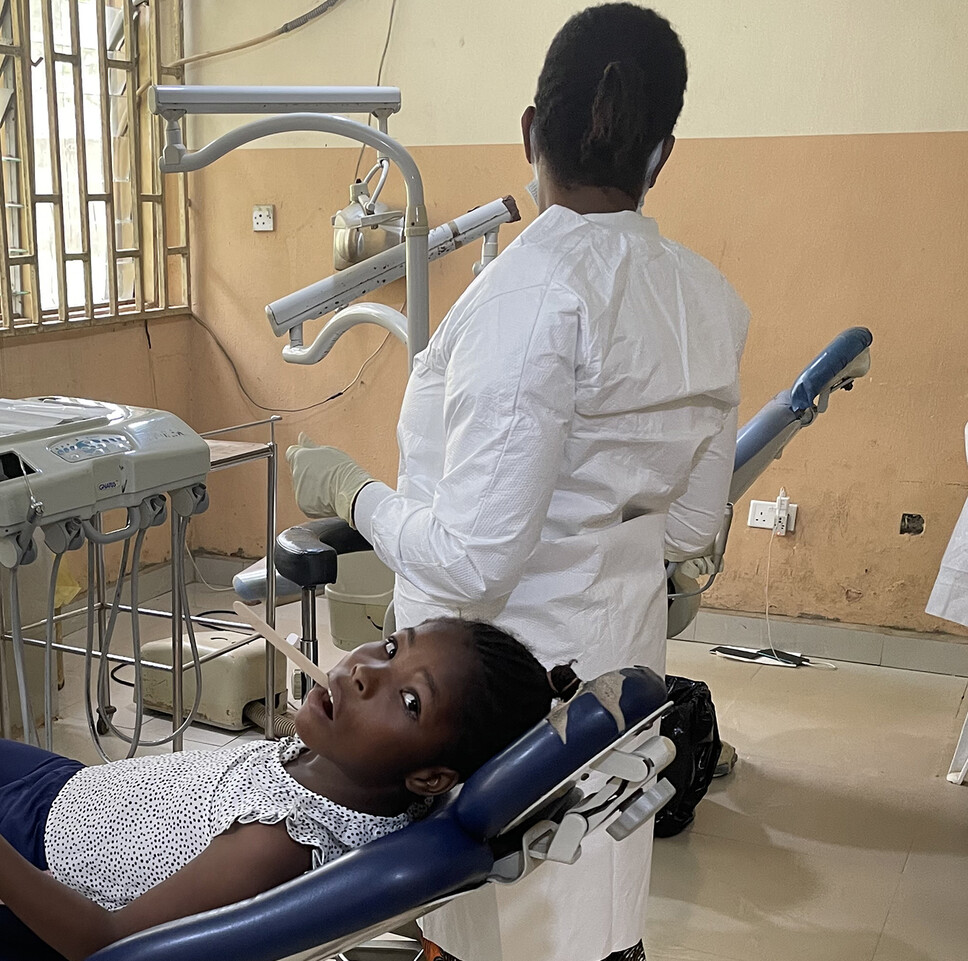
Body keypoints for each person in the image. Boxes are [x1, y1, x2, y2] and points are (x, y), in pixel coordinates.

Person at [286, 6, 749, 961]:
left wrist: (352, 492)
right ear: (662, 152)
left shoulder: (527, 298)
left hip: (498, 685)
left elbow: (474, 560)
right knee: (595, 896)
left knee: (500, 909)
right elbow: (693, 523)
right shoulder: (707, 298)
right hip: (621, 661)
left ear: (530, 129)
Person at [0, 619, 574, 961]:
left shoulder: (279, 843)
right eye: (389, 646)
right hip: (73, 790)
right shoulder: (346, 772)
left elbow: (106, 944)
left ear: (430, 777)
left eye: (408, 700)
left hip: (30, 840)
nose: (362, 671)